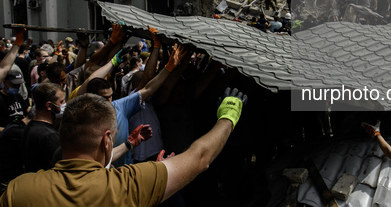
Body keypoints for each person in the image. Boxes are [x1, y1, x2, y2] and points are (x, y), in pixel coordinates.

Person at [0, 87, 247, 206]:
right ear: (106, 140)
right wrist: (228, 116)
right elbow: (199, 157)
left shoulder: (19, 190)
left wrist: (129, 145)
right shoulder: (128, 185)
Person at [23, 82, 65, 172]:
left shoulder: (30, 126)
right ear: (49, 105)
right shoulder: (49, 136)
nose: (64, 104)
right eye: (61, 102)